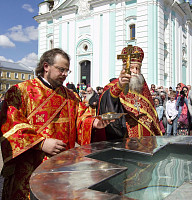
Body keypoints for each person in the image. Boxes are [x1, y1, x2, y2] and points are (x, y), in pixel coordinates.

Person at [0, 48, 111, 200]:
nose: (65, 74)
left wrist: (94, 123)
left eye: (67, 71)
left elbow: (81, 116)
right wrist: (41, 143)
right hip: (30, 165)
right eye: (61, 69)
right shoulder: (20, 91)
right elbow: (12, 124)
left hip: (63, 165)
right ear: (46, 66)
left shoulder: (70, 95)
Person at [98, 45, 162, 140]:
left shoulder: (142, 86)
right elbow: (107, 102)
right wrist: (119, 87)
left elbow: (151, 113)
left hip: (146, 140)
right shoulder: (114, 85)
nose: (135, 71)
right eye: (132, 68)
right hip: (126, 138)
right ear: (125, 68)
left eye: (138, 68)